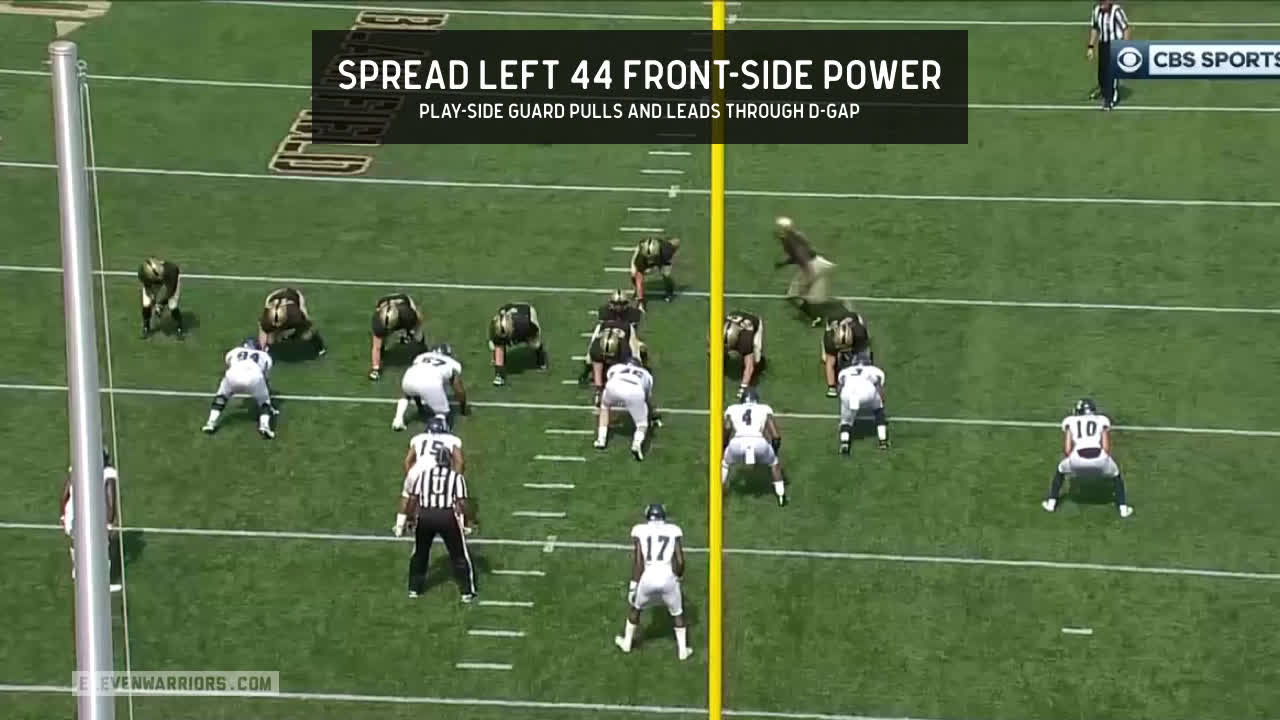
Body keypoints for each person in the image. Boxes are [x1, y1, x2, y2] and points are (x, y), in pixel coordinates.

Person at [614, 503, 692, 660]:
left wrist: (633, 585)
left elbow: (639, 562)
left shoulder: (640, 530)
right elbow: (680, 560)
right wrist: (678, 576)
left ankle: (627, 643)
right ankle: (683, 650)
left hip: (648, 576)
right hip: (667, 576)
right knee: (678, 612)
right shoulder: (673, 530)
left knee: (636, 608)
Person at [395, 462, 477, 602]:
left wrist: (409, 518)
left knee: (420, 553)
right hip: (446, 517)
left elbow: (413, 498)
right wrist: (471, 519)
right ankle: (466, 592)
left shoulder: (423, 475)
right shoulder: (456, 477)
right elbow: (461, 502)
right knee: (458, 554)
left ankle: (414, 589)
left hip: (426, 516)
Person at [1042, 398, 1133, 517]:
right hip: (1099, 458)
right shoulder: (1102, 420)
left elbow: (1067, 449)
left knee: (1060, 469)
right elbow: (1106, 448)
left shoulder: (1070, 421)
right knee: (1116, 474)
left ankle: (1051, 503)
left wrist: (1076, 464)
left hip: (1077, 459)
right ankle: (1123, 509)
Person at [60, 450, 122, 592]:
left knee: (77, 541)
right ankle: (103, 582)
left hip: (72, 516)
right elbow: (111, 501)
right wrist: (109, 523)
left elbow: (65, 494)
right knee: (104, 546)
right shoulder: (108, 473)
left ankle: (77, 570)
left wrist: (63, 515)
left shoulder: (77, 468)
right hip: (93, 518)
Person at [202, 338, 277, 439]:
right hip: (254, 377)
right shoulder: (264, 355)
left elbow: (228, 362)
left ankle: (211, 422)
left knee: (222, 396)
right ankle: (265, 425)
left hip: (233, 375)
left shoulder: (236, 351)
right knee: (264, 401)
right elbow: (266, 376)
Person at [722, 389, 787, 506]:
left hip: (738, 442)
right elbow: (776, 435)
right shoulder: (764, 409)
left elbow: (727, 428)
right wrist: (774, 452)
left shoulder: (732, 409)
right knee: (774, 464)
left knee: (725, 463)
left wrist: (724, 446)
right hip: (759, 442)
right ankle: (781, 495)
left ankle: (718, 492)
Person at [773, 217, 835, 327]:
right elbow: (798, 255)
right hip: (818, 263)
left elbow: (801, 256)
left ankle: (817, 317)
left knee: (793, 296)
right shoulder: (796, 236)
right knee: (803, 295)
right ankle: (816, 314)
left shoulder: (789, 241)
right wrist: (783, 264)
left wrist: (809, 274)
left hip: (811, 266)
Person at [393, 344, 468, 431]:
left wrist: (420, 407)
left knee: (407, 394)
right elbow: (458, 389)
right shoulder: (452, 363)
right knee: (442, 412)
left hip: (409, 377)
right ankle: (438, 430)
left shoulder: (422, 356)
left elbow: (418, 381)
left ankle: (398, 419)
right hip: (430, 383)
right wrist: (463, 409)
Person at [594, 357, 656, 462]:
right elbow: (646, 399)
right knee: (642, 424)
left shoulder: (617, 367)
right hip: (635, 390)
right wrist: (651, 414)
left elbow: (610, 377)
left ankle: (601, 439)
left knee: (604, 407)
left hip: (614, 386)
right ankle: (636, 444)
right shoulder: (646, 374)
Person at [487, 302, 548, 386]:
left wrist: (529, 339)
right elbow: (496, 342)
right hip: (511, 315)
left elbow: (536, 332)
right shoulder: (495, 326)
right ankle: (499, 374)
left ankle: (541, 360)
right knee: (495, 346)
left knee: (534, 344)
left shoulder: (525, 324)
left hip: (527, 313)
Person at [836, 360, 888, 455]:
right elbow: (879, 386)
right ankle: (883, 441)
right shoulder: (875, 370)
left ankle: (844, 443)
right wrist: (881, 400)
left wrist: (845, 404)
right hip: (867, 393)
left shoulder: (845, 371)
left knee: (846, 421)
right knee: (878, 409)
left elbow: (840, 387)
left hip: (849, 394)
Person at [368, 293, 425, 381]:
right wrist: (375, 369)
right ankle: (380, 358)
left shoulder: (407, 313)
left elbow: (419, 320)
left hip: (404, 301)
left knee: (417, 335)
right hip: (383, 304)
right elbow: (376, 347)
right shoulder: (378, 321)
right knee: (380, 341)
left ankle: (423, 351)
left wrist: (411, 333)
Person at [257, 287, 326, 356]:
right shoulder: (267, 320)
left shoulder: (295, 316)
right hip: (273, 297)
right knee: (270, 340)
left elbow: (309, 325)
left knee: (306, 335)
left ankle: (320, 348)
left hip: (293, 295)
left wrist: (298, 333)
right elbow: (263, 331)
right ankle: (279, 338)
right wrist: (262, 350)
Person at [1088, 0, 1131, 110]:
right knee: (1102, 71)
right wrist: (1091, 46)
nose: (1101, 5)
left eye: (1103, 2)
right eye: (1100, 2)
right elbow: (1095, 28)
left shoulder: (1117, 11)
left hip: (1115, 43)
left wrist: (1125, 47)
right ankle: (1103, 91)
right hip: (1103, 44)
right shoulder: (1096, 10)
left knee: (1111, 71)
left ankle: (1111, 98)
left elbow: (1125, 29)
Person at [821, 310, 871, 397]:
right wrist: (831, 387)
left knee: (863, 357)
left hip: (854, 321)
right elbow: (830, 362)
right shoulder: (829, 339)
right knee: (827, 359)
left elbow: (863, 354)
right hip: (833, 320)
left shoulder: (860, 334)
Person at [138, 257, 185, 339]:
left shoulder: (172, 271)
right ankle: (146, 326)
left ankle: (179, 326)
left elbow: (171, 291)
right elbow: (147, 287)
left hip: (168, 281)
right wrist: (152, 298)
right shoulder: (144, 273)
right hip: (153, 282)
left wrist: (160, 304)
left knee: (172, 305)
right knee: (146, 304)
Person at [723, 310, 765, 401]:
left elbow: (749, 367)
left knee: (756, 360)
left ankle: (746, 384)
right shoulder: (718, 328)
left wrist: (742, 388)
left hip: (753, 323)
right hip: (734, 320)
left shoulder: (745, 340)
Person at [629, 236, 680, 306]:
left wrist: (658, 265)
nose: (650, 259)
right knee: (634, 273)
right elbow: (639, 276)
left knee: (666, 275)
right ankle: (637, 290)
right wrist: (641, 299)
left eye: (652, 257)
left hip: (662, 258)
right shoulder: (640, 257)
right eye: (649, 257)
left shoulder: (666, 251)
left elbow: (676, 241)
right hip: (644, 258)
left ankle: (669, 291)